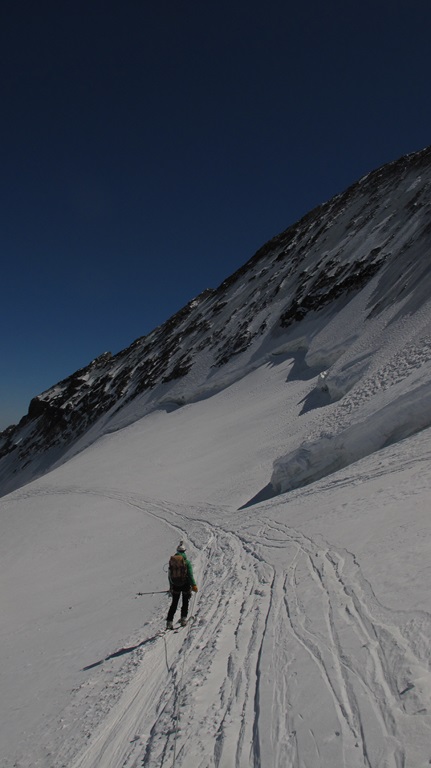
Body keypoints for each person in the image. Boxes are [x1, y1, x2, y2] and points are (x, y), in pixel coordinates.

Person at [166, 540, 198, 629]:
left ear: (177, 551)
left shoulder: (172, 562)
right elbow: (190, 575)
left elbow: (169, 576)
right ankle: (183, 619)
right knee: (185, 602)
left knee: (174, 603)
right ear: (184, 551)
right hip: (185, 585)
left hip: (175, 585)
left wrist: (171, 586)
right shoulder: (186, 562)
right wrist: (194, 585)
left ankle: (169, 622)